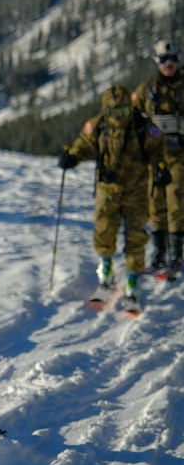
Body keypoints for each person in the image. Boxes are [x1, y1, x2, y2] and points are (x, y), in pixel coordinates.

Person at [59, 83, 167, 308]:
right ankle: (105, 269)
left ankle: (132, 279)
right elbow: (83, 146)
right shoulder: (97, 125)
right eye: (114, 113)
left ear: (130, 108)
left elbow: (158, 149)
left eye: (123, 112)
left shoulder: (143, 126)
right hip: (107, 190)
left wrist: (160, 167)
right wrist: (72, 157)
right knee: (104, 229)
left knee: (136, 235)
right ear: (106, 111)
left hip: (136, 190)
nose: (118, 117)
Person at [132, 39, 184, 272]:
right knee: (156, 204)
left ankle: (176, 252)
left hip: (180, 155)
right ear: (157, 62)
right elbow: (133, 116)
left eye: (173, 59)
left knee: (176, 202)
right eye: (164, 60)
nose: (169, 64)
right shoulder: (147, 89)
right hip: (155, 156)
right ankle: (159, 250)